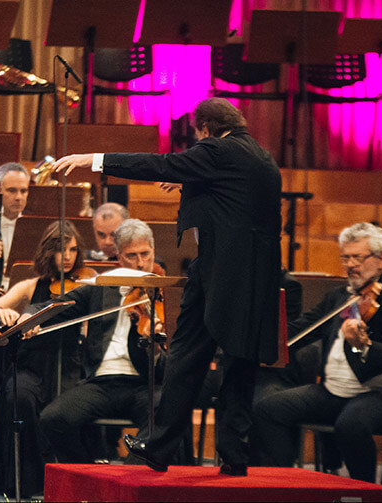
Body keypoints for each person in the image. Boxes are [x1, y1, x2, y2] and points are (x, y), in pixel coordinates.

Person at [53, 97, 282, 475]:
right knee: (240, 364)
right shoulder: (262, 158)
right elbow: (235, 205)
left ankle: (160, 446)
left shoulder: (218, 149)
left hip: (218, 275)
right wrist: (191, 186)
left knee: (186, 356)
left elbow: (158, 163)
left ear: (205, 127)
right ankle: (234, 455)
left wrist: (95, 159)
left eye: (197, 136)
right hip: (256, 278)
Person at [253, 222, 382, 483]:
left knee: (350, 425)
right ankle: (282, 483)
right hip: (333, 392)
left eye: (358, 257)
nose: (351, 264)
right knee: (268, 408)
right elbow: (302, 330)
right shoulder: (339, 297)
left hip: (380, 395)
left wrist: (363, 344)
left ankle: (365, 493)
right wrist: (262, 335)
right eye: (346, 257)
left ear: (380, 260)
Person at [15, 219, 160, 468]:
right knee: (53, 418)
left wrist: (156, 343)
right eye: (131, 256)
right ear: (118, 257)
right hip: (102, 383)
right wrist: (30, 316)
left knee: (165, 412)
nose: (140, 263)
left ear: (153, 251)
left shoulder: (164, 291)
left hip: (145, 383)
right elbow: (53, 306)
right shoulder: (101, 289)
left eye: (145, 254)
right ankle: (87, 475)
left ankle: (128, 477)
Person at [0, 220, 90, 498]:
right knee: (19, 397)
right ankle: (29, 482)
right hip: (32, 365)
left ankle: (75, 478)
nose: (67, 257)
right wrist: (1, 314)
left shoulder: (86, 285)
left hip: (70, 365)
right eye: (60, 250)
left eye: (73, 250)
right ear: (47, 252)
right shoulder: (32, 286)